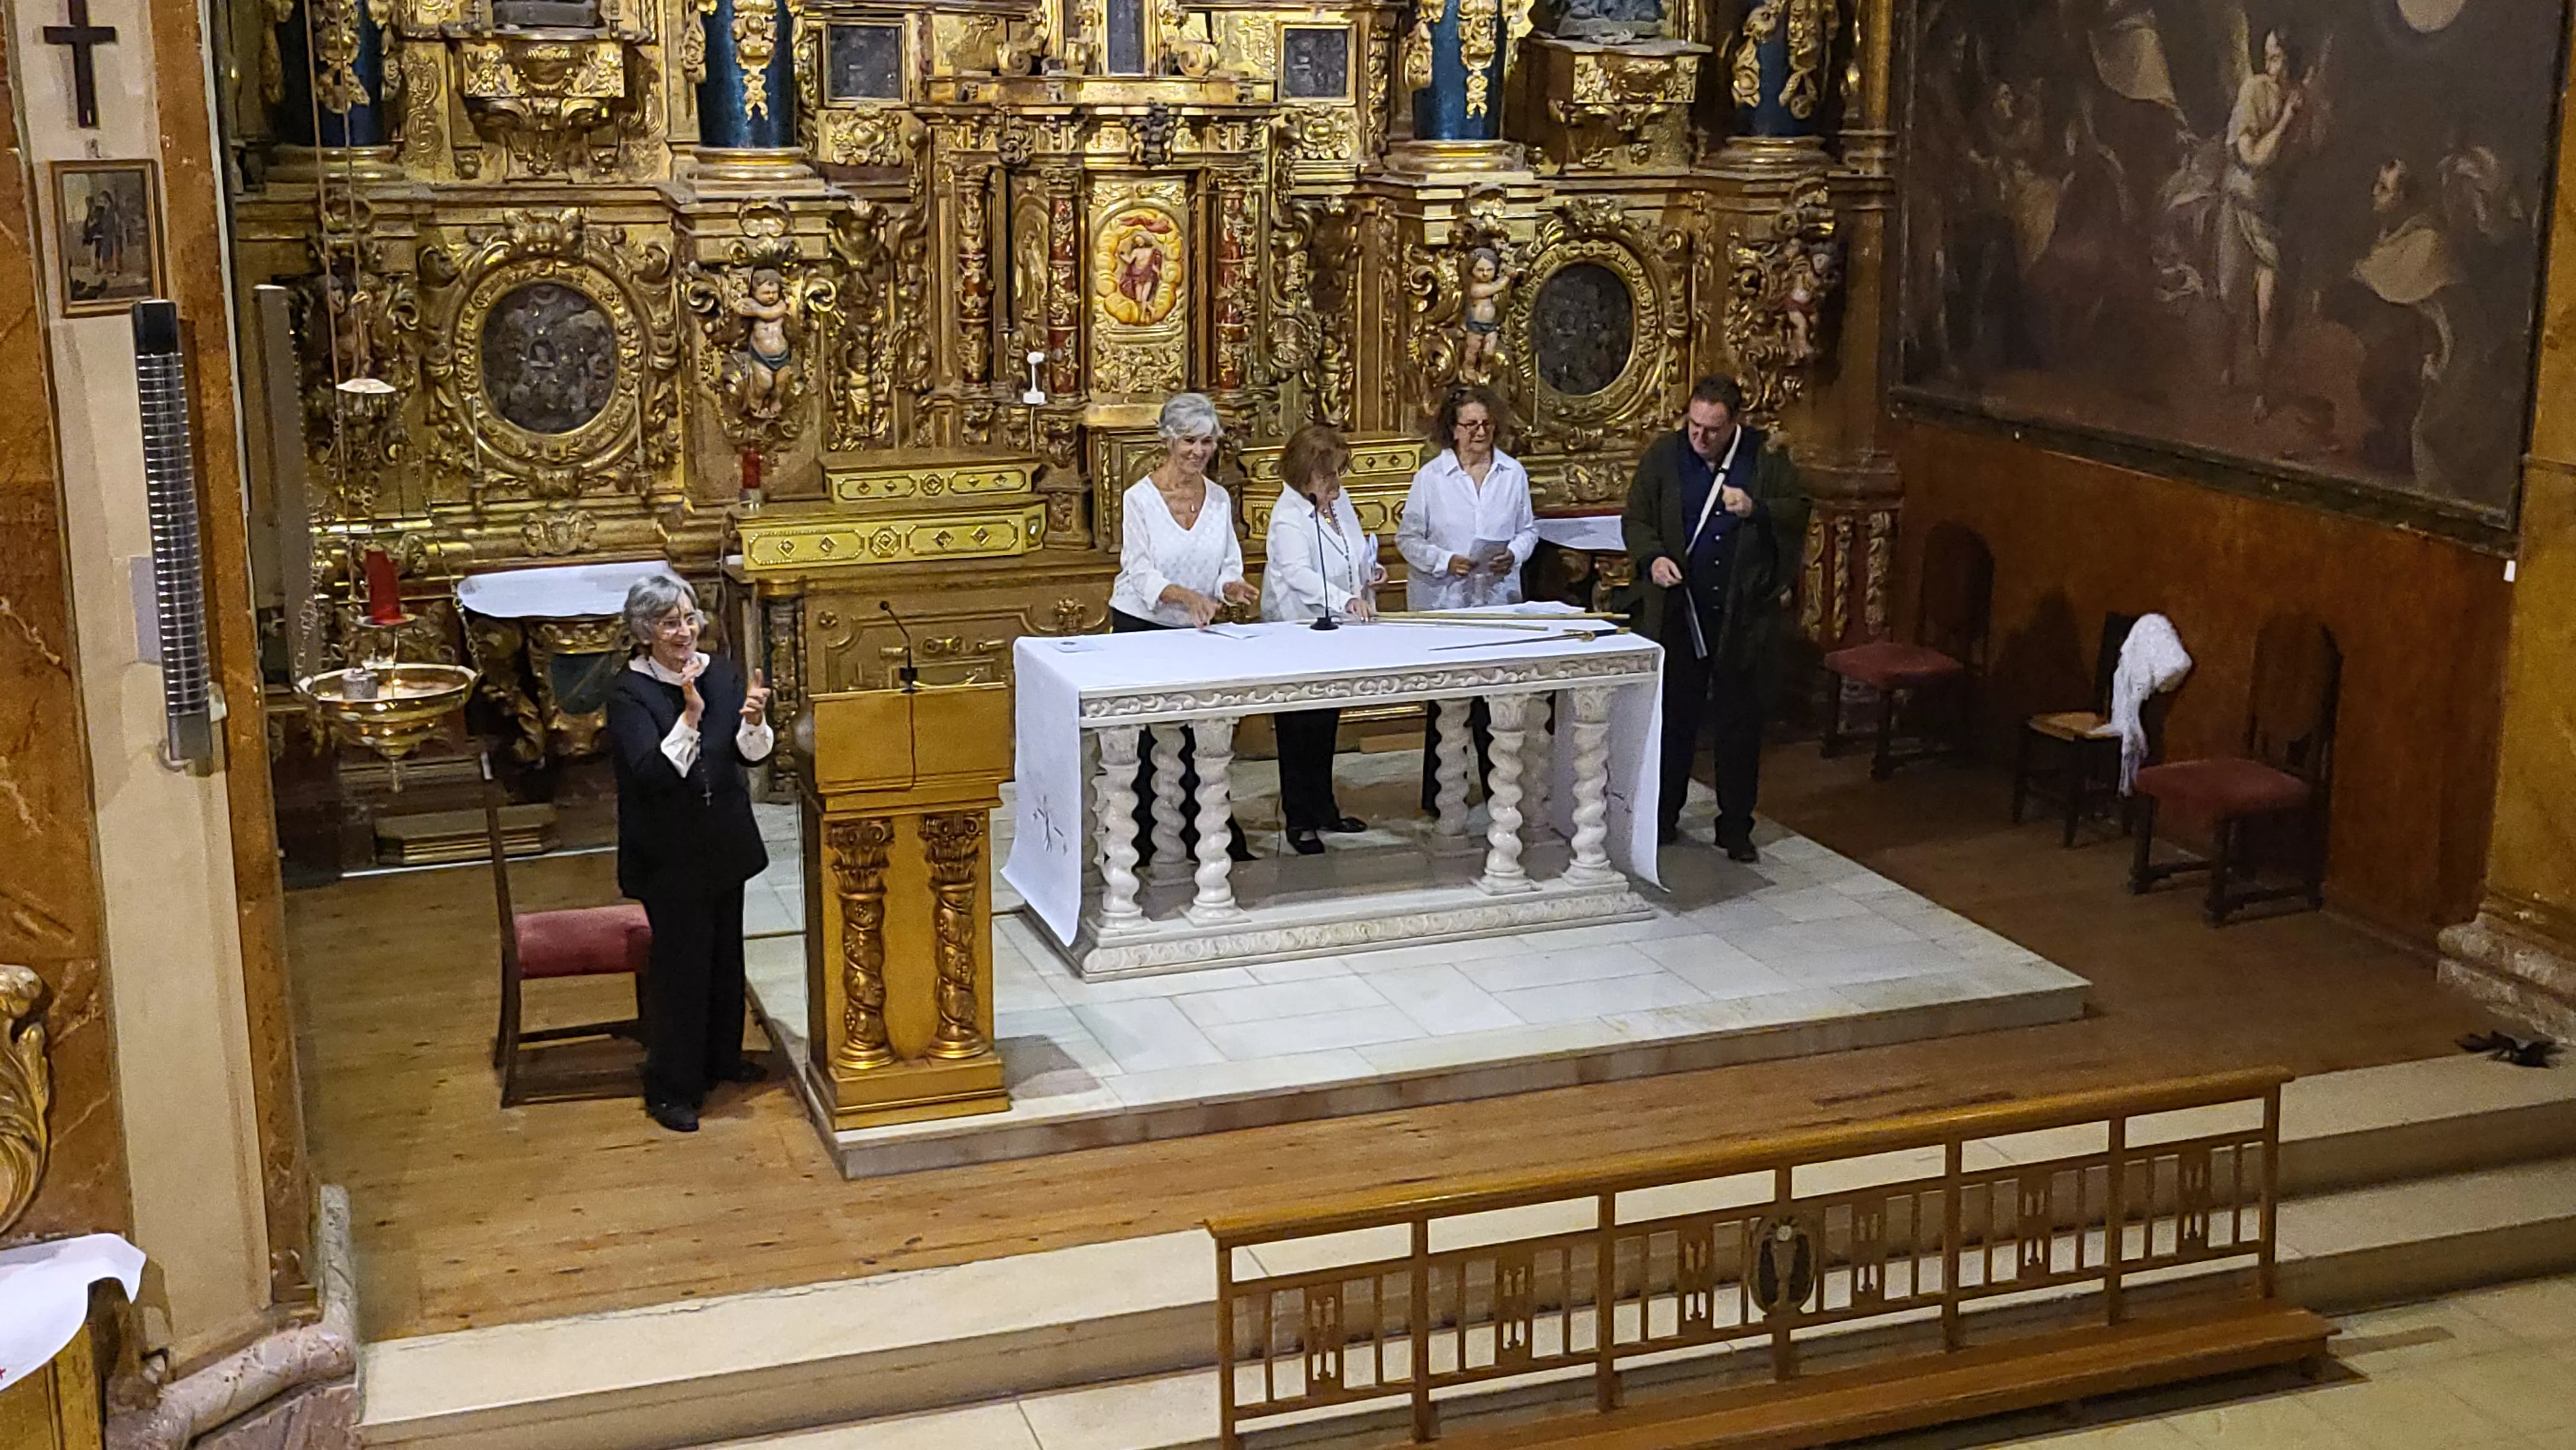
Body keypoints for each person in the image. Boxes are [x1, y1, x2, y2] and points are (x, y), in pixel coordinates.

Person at [604, 574, 775, 1134]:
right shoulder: (629, 693)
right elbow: (651, 772)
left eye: (688, 618)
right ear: (644, 632)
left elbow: (747, 759)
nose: (684, 632)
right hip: (668, 855)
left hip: (724, 842)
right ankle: (672, 1087)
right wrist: (691, 715)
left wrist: (753, 724)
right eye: (669, 623)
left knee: (726, 959)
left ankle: (721, 1059)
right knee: (681, 971)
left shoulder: (721, 673)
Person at [1622, 374, 1810, 862]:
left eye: (1713, 429)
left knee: (1738, 724)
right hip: (1680, 613)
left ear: (1735, 424)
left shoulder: (1765, 458)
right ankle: (1664, 815)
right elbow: (1637, 518)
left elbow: (1798, 511)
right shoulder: (1665, 455)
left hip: (1740, 618)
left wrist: (1756, 508)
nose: (1701, 437)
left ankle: (1735, 825)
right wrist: (1653, 558)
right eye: (1695, 425)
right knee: (1675, 719)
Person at [1110, 392, 1260, 862]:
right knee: (1148, 735)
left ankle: (1209, 832)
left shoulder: (1217, 498)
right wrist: (1188, 597)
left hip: (1197, 629)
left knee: (1202, 732)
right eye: (1189, 441)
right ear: (1168, 441)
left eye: (1207, 442)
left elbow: (1226, 561)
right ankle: (1143, 839)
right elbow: (1141, 572)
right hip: (1143, 624)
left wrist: (1230, 586)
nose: (1199, 452)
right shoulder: (1140, 499)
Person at [1397, 382, 1537, 814]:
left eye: (1486, 424)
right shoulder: (1431, 477)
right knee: (1450, 701)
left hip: (1495, 601)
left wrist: (1512, 554)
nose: (1480, 433)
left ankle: (1499, 790)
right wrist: (1445, 561)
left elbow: (1528, 530)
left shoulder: (1512, 474)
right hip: (1447, 602)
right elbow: (1408, 538)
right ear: (1453, 430)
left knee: (1494, 704)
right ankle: (1440, 796)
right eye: (1470, 425)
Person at [1261, 424, 1383, 854]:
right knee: (1299, 726)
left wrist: (1369, 574)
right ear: (1304, 472)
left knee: (1326, 720)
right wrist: (1345, 598)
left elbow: (1351, 550)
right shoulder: (1289, 516)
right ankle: (1299, 819)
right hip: (1298, 629)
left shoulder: (1337, 500)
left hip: (1337, 631)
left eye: (1338, 473)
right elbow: (1298, 576)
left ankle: (1324, 807)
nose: (1336, 482)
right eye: (1327, 474)